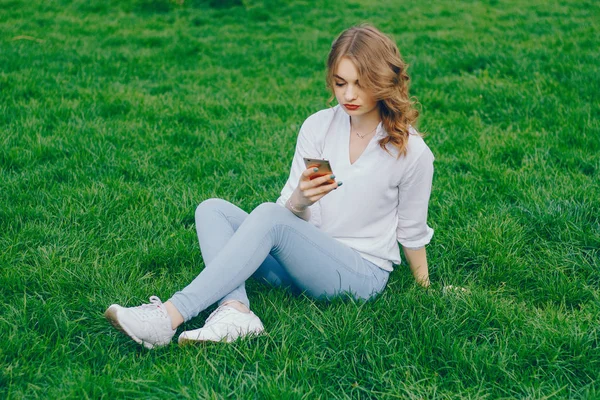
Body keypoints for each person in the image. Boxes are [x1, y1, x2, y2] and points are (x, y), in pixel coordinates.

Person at [105, 24, 435, 349]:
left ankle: (167, 317)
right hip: (305, 259)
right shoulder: (319, 127)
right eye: (340, 83)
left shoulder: (409, 151)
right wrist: (300, 201)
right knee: (212, 210)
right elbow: (288, 219)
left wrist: (425, 286)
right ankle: (235, 312)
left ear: (382, 81)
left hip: (360, 273)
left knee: (269, 217)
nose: (349, 95)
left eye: (360, 84)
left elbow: (411, 229)